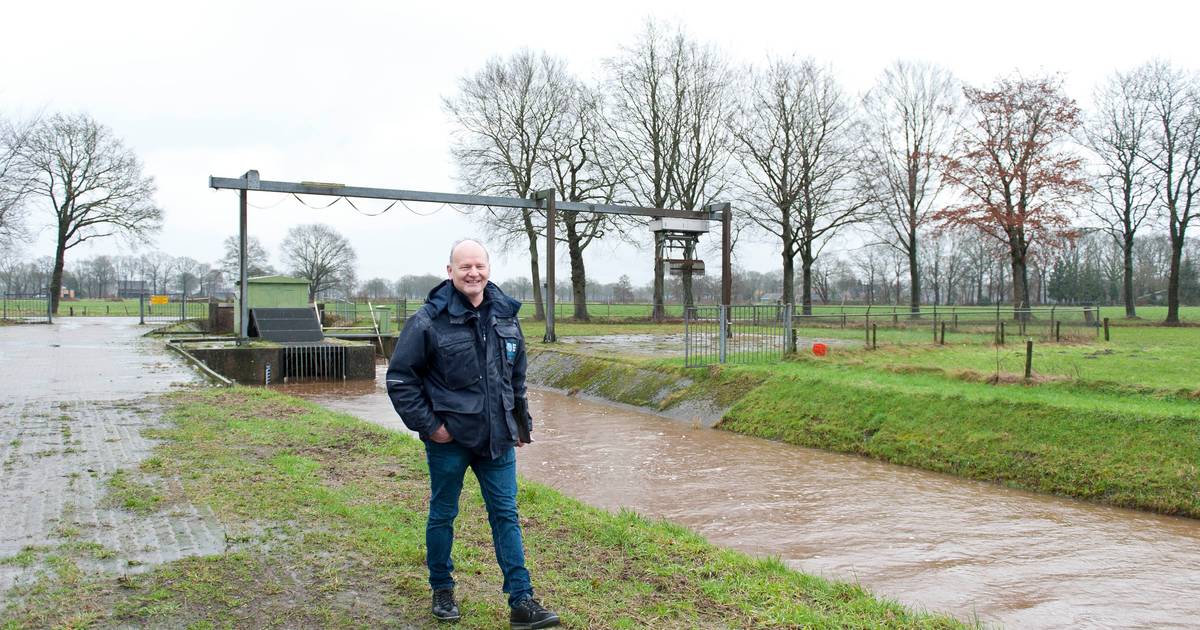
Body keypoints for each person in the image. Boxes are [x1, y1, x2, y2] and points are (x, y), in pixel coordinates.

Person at [386, 238, 560, 629]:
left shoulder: (506, 316)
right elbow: (400, 379)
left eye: (479, 265)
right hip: (450, 440)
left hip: (497, 439)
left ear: (488, 269)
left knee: (506, 515)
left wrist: (520, 424)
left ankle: (522, 601)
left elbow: (516, 379)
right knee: (443, 514)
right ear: (450, 271)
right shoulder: (428, 320)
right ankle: (442, 590)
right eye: (464, 266)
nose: (473, 273)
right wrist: (432, 427)